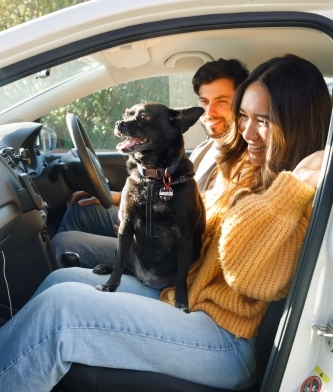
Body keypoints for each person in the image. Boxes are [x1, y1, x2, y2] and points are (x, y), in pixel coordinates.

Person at [0, 54, 331, 392]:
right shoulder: (251, 168)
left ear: (297, 122)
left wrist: (294, 188)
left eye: (263, 120)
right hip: (192, 296)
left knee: (61, 312)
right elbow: (205, 234)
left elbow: (242, 272)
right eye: (243, 116)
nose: (246, 131)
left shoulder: (300, 197)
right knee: (61, 280)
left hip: (228, 340)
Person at [51, 58, 249, 267]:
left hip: (171, 259)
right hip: (155, 223)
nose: (209, 113)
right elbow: (176, 194)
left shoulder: (245, 163)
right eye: (204, 101)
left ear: (241, 103)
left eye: (221, 101)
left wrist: (145, 230)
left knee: (64, 244)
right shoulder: (206, 147)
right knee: (81, 210)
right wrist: (120, 198)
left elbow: (205, 230)